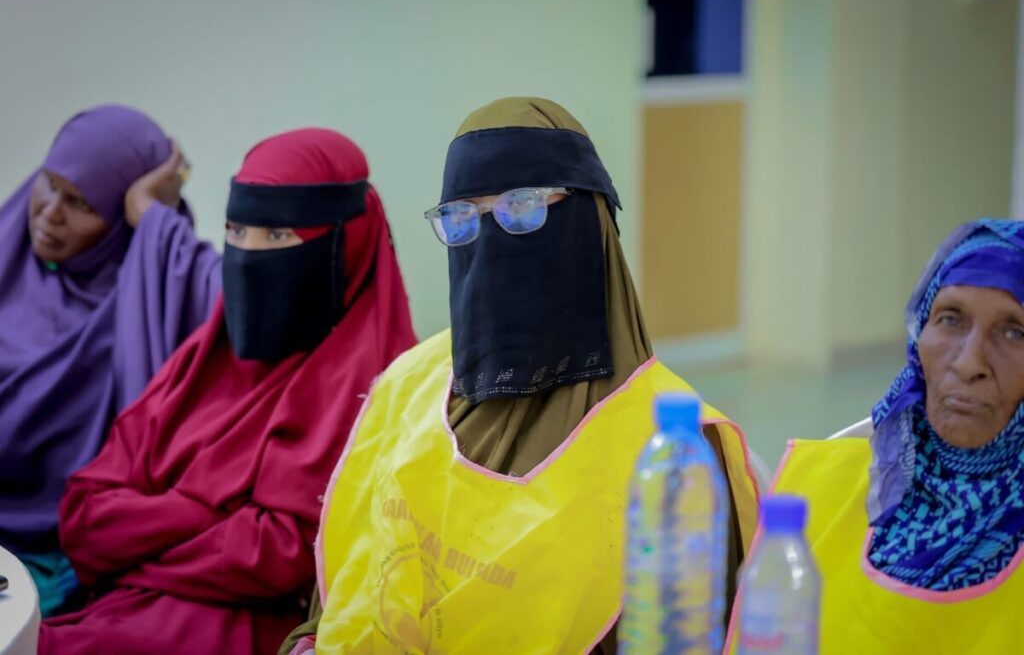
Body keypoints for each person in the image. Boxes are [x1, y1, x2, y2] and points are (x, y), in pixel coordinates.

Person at [281, 98, 760, 655]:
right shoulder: (410, 385)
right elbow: (346, 593)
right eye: (463, 215)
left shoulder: (671, 445)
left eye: (523, 206)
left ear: (590, 221)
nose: (491, 237)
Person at [38, 128, 417, 655]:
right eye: (236, 230)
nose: (248, 253)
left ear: (343, 244)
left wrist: (141, 535)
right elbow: (84, 514)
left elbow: (284, 557)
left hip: (241, 633)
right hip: (120, 608)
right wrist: (208, 518)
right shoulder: (205, 360)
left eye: (277, 236)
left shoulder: (381, 390)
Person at [727, 219, 1024, 653]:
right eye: (951, 319)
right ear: (919, 334)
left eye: (1014, 332)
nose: (968, 363)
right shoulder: (818, 489)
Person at [0, 104, 220, 614]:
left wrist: (150, 211)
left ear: (123, 221)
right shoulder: (9, 263)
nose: (50, 212)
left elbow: (256, 300)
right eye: (49, 183)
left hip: (50, 567)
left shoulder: (143, 310)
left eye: (81, 203)